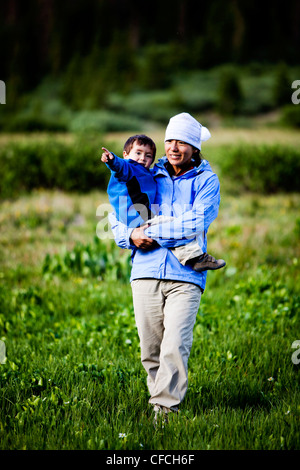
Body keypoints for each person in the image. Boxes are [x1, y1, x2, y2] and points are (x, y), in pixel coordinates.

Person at [108, 113, 223, 423]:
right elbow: (116, 215)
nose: (174, 147)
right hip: (144, 271)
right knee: (151, 349)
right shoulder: (148, 171)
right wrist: (131, 234)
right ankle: (158, 400)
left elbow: (196, 222)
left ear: (194, 147)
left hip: (186, 275)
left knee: (175, 344)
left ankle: (164, 411)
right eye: (170, 140)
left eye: (182, 142)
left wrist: (152, 230)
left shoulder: (206, 180)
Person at [101, 134, 225, 272]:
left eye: (148, 156)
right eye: (138, 153)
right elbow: (121, 168)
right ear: (126, 154)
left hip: (138, 215)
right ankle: (198, 258)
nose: (142, 158)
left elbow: (198, 221)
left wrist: (143, 233)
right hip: (135, 215)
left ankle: (194, 258)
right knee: (169, 223)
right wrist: (112, 160)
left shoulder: (149, 173)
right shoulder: (130, 168)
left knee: (169, 228)